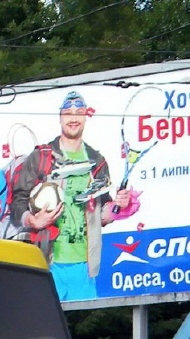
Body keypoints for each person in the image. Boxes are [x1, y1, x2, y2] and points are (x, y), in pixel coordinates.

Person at [9, 90, 134, 302]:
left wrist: (120, 207)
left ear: (86, 115)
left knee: (79, 333)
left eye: (79, 112)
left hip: (85, 268)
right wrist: (33, 220)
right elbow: (16, 203)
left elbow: (102, 215)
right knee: (46, 333)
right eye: (68, 112)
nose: (73, 118)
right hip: (47, 264)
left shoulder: (97, 161)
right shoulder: (41, 157)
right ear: (60, 117)